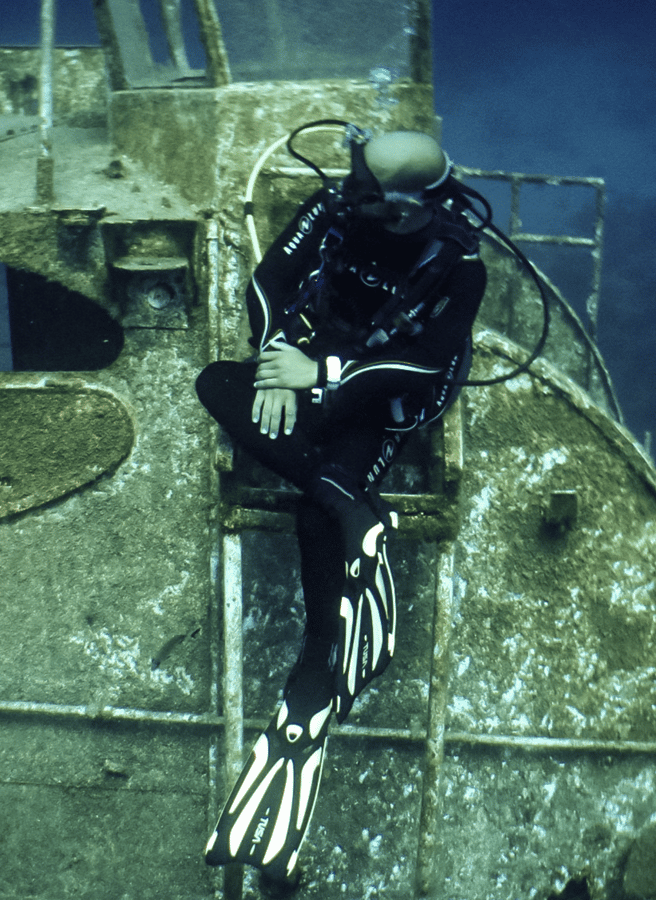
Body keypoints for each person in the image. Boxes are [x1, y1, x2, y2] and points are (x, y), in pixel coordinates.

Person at [198, 129, 487, 882]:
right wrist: (274, 367)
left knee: (312, 513)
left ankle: (313, 674)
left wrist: (321, 377)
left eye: (364, 193)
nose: (346, 198)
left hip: (377, 403)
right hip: (305, 373)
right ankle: (349, 502)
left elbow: (423, 366)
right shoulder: (333, 208)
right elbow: (269, 283)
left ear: (404, 208)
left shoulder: (460, 266)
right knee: (216, 384)